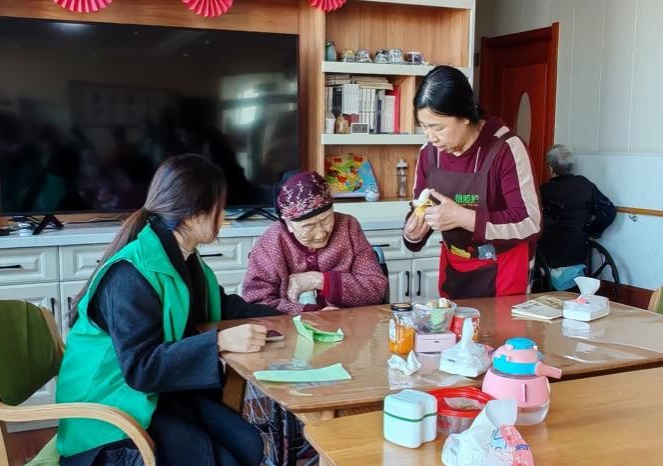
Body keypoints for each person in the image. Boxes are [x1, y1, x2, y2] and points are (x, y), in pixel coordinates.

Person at [55, 154, 282, 466]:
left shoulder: (183, 259)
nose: (225, 217)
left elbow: (221, 307)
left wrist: (289, 315)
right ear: (194, 213)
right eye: (220, 207)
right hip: (108, 423)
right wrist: (219, 343)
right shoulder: (132, 273)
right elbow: (141, 369)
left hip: (152, 401)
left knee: (247, 443)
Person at [402, 66, 541, 299]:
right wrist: (412, 233)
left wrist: (462, 217)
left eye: (438, 128)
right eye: (424, 127)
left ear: (465, 116)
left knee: (498, 325)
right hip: (455, 266)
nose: (431, 137)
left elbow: (530, 222)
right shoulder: (429, 153)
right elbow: (421, 205)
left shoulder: (506, 148)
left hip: (504, 269)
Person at [242, 170, 388, 313]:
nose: (321, 234)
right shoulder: (270, 243)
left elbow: (376, 289)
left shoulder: (348, 226)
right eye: (308, 226)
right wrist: (309, 313)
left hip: (350, 322)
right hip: (293, 326)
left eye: (326, 219)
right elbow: (257, 303)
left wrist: (320, 280)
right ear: (287, 223)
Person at [538, 144, 616, 290]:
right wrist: (592, 230)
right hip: (577, 250)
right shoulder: (584, 185)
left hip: (548, 252)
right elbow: (609, 211)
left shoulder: (544, 191)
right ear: (571, 166)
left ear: (550, 168)